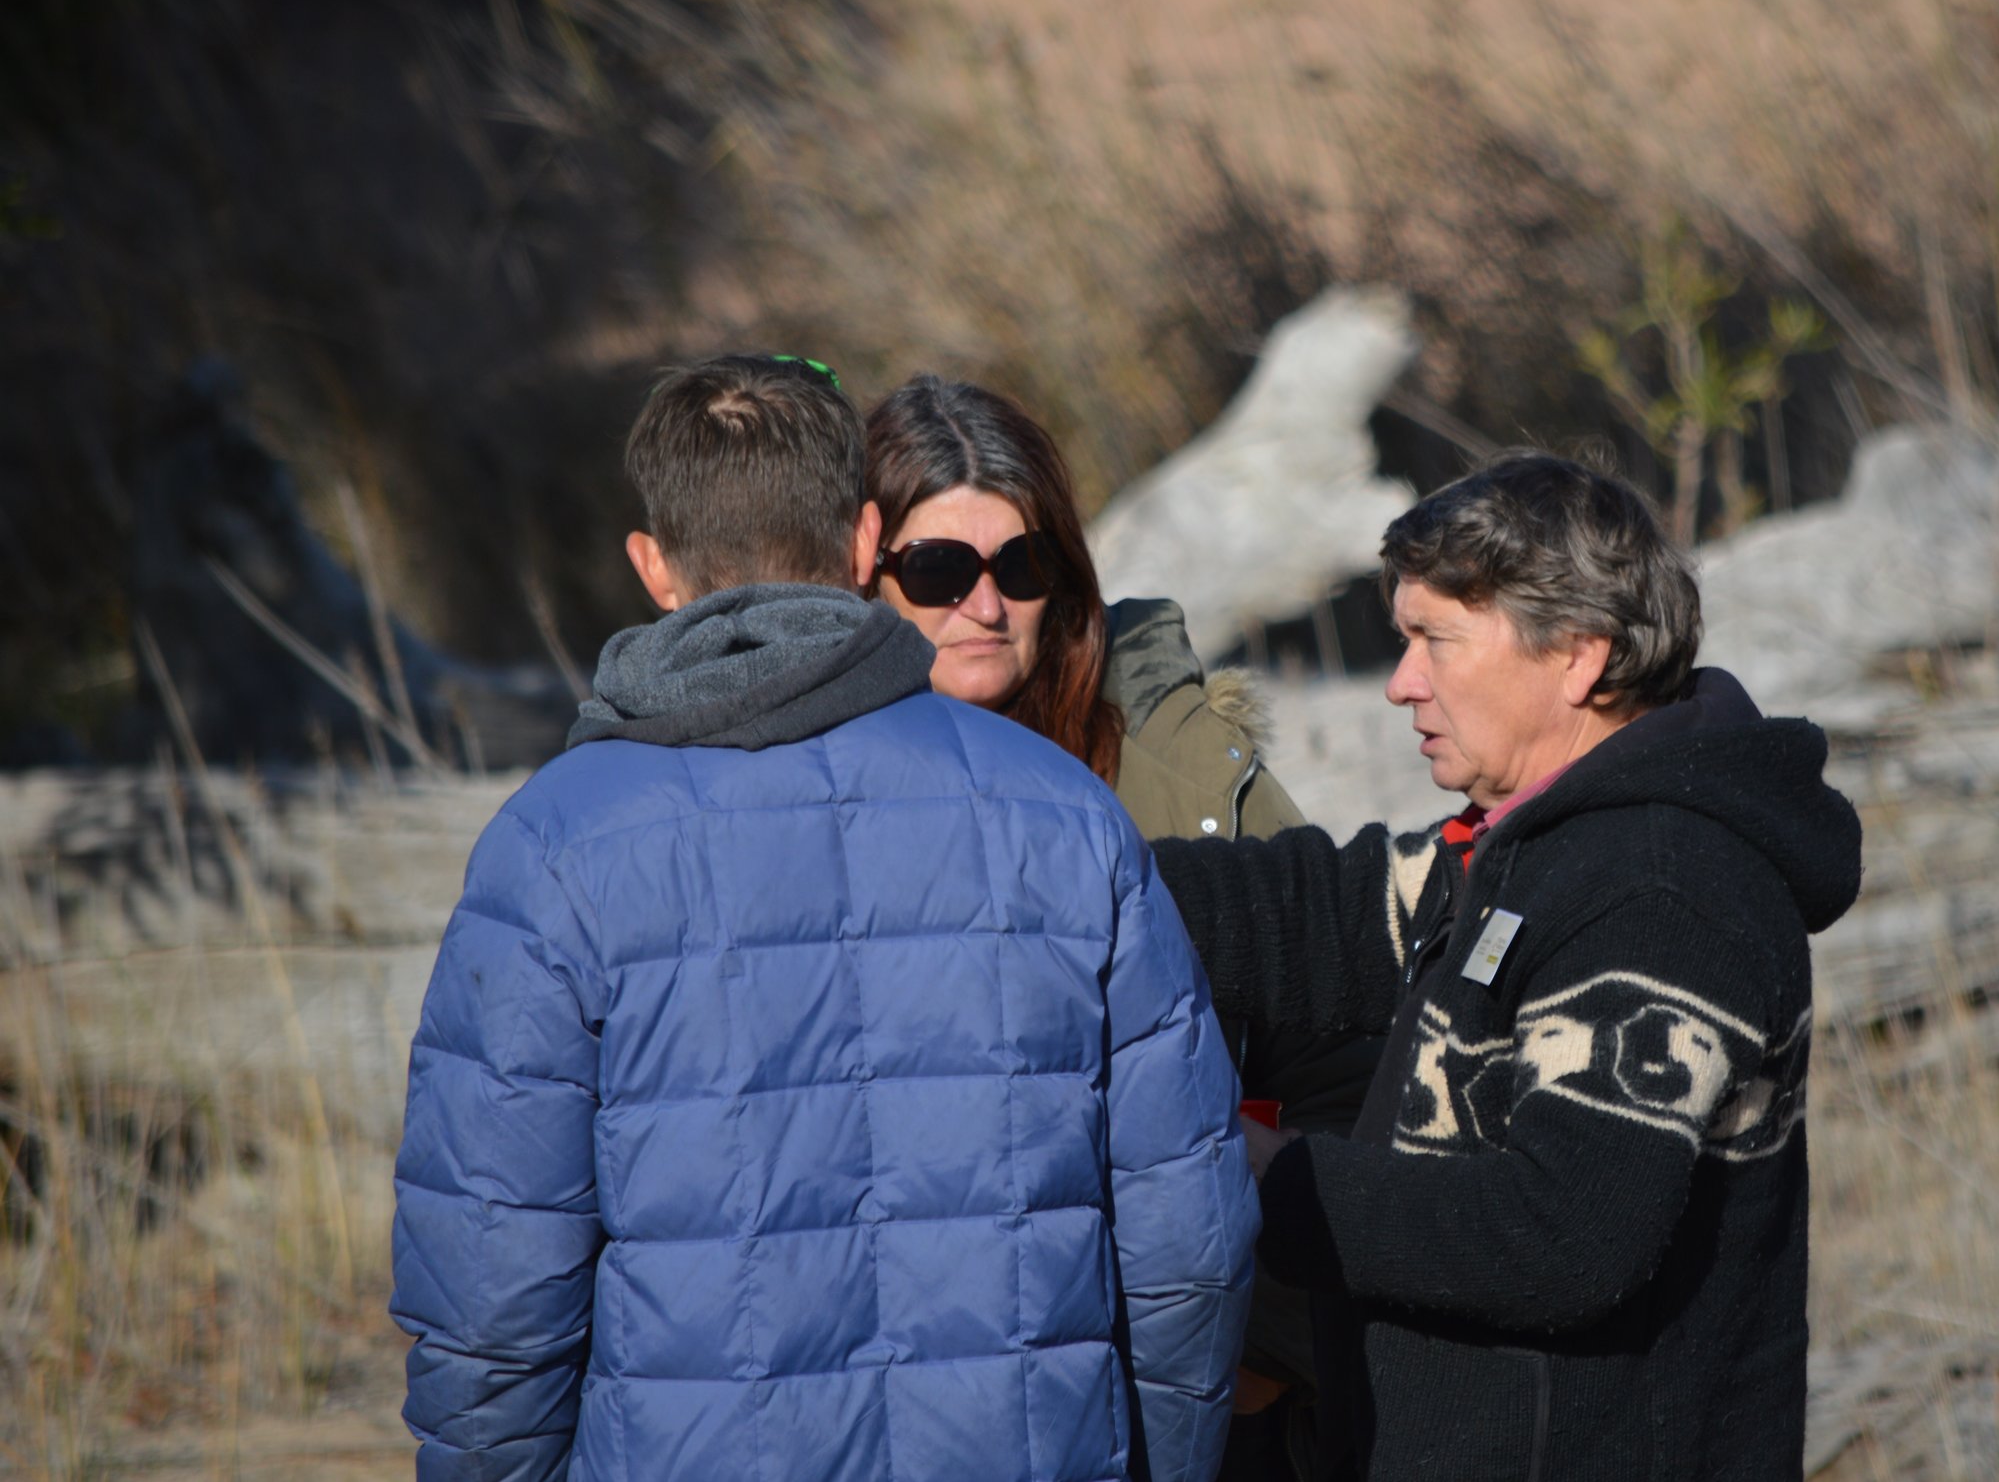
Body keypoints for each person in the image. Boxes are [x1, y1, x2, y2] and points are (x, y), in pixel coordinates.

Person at [390, 355, 1257, 1482]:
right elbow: (1187, 1233)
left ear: (654, 570)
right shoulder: (1064, 815)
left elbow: (488, 1280)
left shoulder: (555, 845)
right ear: (861, 546)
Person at [1152, 452, 1863, 1482]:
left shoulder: (1662, 892)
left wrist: (1263, 1178)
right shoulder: (1532, 846)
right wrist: (1075, 881)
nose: (1401, 683)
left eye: (1433, 642)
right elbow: (1322, 917)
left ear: (1577, 658)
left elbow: (1558, 1237)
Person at [863, 374, 1379, 1479]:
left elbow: (1355, 1064)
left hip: (1181, 1409)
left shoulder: (1182, 768)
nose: (986, 607)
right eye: (940, 571)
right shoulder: (795, 795)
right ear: (864, 575)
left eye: (1023, 567)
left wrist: (1262, 1344)